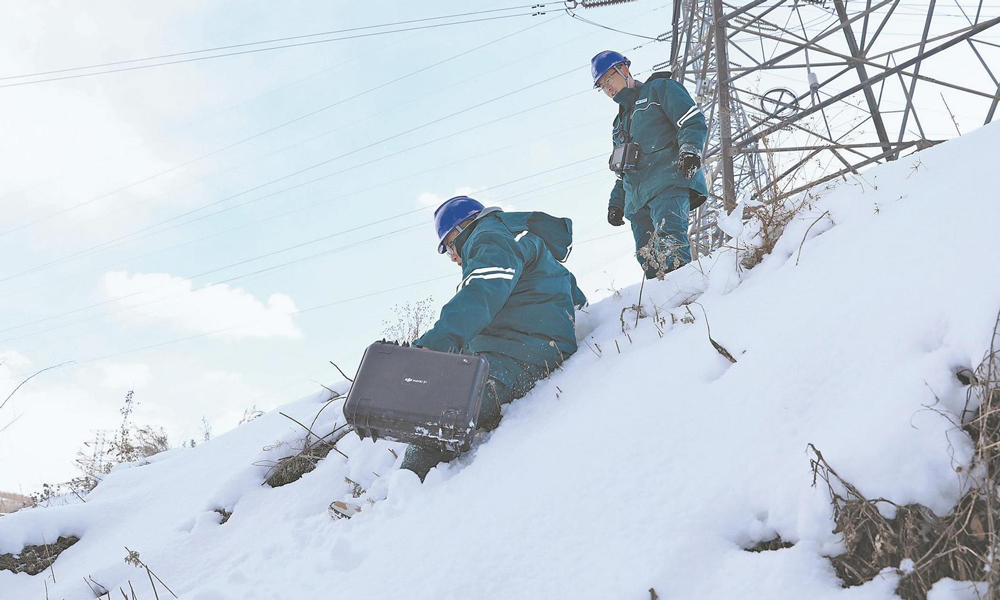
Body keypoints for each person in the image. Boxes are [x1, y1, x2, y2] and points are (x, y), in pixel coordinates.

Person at [402, 195, 587, 480]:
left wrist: (431, 345)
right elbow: (571, 293)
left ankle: (403, 493)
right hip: (524, 349)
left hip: (523, 356)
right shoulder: (514, 237)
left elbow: (479, 295)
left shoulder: (489, 238)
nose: (452, 256)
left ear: (463, 227)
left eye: (449, 245)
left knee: (444, 403)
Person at [592, 50, 709, 279]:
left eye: (608, 80)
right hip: (637, 202)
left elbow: (691, 121)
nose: (608, 89)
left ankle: (686, 300)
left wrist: (690, 151)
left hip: (667, 181)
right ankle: (665, 311)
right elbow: (622, 171)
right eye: (602, 86)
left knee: (670, 245)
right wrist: (616, 203)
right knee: (648, 261)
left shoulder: (659, 89)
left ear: (623, 69)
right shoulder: (619, 124)